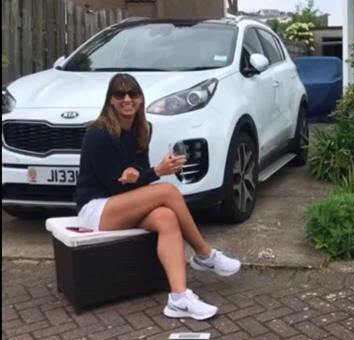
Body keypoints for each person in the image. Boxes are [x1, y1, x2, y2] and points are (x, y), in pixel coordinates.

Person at [73, 73, 241, 321]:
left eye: (133, 94)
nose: (127, 99)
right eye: (120, 94)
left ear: (141, 99)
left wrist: (137, 173)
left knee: (166, 217)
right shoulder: (98, 134)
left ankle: (178, 298)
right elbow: (113, 186)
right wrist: (155, 172)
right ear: (110, 100)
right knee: (167, 190)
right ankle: (204, 253)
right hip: (96, 208)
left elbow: (135, 177)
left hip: (123, 203)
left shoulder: (142, 129)